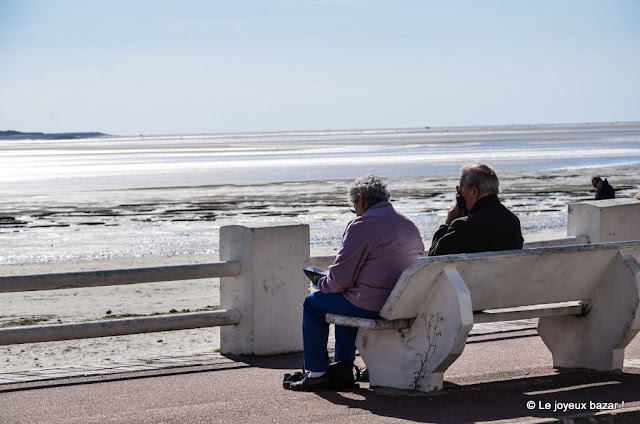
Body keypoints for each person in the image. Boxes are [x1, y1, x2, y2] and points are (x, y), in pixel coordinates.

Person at [289, 175, 424, 391]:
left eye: (354, 206)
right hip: (404, 302)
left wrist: (319, 283)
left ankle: (316, 372)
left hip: (374, 304)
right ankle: (342, 365)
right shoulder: (407, 223)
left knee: (313, 304)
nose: (355, 211)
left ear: (360, 200)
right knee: (346, 296)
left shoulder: (362, 225)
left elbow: (340, 280)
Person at [428, 162, 523, 256]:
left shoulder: (463, 226)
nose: (458, 195)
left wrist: (447, 224)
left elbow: (433, 258)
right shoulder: (513, 222)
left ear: (474, 191)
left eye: (460, 190)